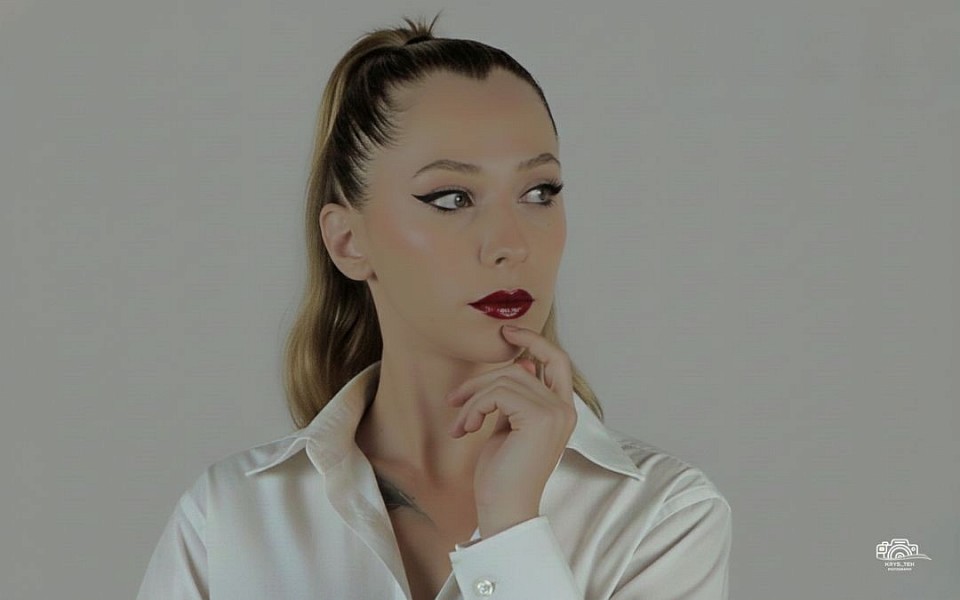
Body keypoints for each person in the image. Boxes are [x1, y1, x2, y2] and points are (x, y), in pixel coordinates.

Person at [136, 13, 732, 600]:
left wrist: (512, 527)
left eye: (538, 192)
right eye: (452, 198)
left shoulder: (661, 517)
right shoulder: (229, 518)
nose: (510, 244)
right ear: (348, 241)